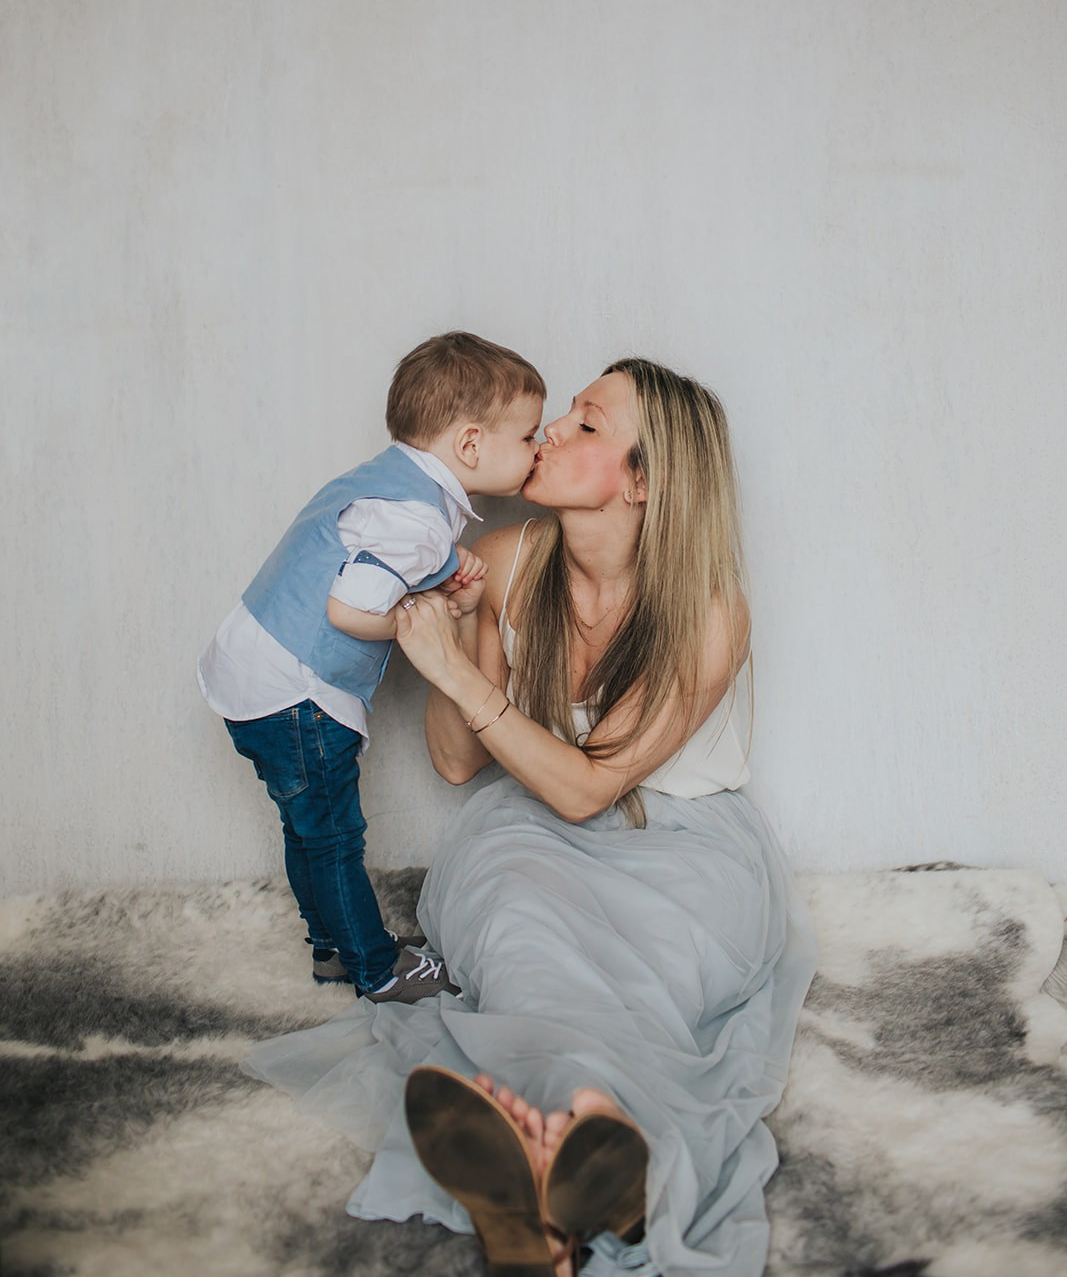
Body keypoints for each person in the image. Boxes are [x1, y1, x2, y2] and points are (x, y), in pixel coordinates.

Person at [242, 358, 817, 1275]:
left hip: (682, 843)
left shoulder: (711, 612)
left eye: (587, 424)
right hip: (530, 836)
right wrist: (453, 646)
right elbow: (456, 760)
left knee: (653, 980)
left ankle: (555, 1176)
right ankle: (584, 1143)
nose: (550, 430)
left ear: (643, 480)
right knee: (524, 946)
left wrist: (457, 668)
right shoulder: (506, 561)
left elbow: (594, 789)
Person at [197, 331, 545, 1003]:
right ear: (470, 445)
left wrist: (442, 581)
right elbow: (350, 612)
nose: (538, 447)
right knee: (332, 835)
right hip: (293, 687)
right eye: (528, 435)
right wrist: (434, 622)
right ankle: (376, 969)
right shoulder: (413, 517)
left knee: (306, 827)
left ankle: (332, 945)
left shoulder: (391, 480)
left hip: (254, 667)